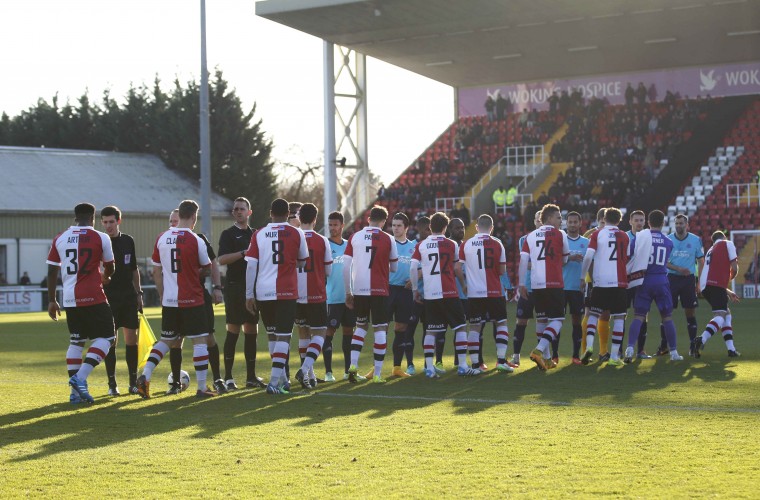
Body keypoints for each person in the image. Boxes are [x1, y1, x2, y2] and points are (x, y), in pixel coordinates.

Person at [137, 201, 215, 399]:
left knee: (166, 340)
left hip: (170, 299)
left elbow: (156, 270)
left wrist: (162, 294)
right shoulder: (196, 240)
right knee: (199, 340)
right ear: (194, 217)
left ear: (179, 215)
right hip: (192, 299)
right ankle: (202, 387)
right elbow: (207, 267)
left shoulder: (162, 238)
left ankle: (145, 375)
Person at [47, 203, 115, 404]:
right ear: (93, 218)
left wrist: (52, 300)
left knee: (76, 341)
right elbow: (111, 266)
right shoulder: (101, 237)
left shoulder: (60, 238)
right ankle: (80, 378)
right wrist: (105, 276)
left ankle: (74, 395)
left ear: (76, 218)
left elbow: (52, 271)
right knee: (108, 338)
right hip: (94, 295)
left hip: (70, 298)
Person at [245, 198, 308, 394]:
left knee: (272, 334)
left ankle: (282, 380)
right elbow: (302, 262)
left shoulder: (259, 234)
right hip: (286, 290)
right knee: (283, 336)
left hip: (263, 291)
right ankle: (274, 382)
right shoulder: (296, 233)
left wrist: (249, 294)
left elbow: (251, 265)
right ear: (288, 213)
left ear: (271, 213)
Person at [411, 212, 477, 378]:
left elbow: (413, 267)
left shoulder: (422, 245)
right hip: (449, 292)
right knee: (460, 326)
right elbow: (456, 268)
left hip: (431, 294)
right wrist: (463, 284)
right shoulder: (452, 244)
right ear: (445, 227)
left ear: (430, 227)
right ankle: (462, 366)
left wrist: (414, 289)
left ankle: (429, 368)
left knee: (431, 331)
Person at [343, 206, 399, 383]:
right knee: (380, 328)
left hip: (359, 289)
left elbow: (345, 266)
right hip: (379, 290)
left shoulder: (355, 237)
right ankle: (377, 374)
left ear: (368, 219)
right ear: (383, 222)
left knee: (360, 327)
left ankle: (352, 365)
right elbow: (395, 268)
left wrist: (348, 292)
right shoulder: (389, 239)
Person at [217, 197, 263, 390]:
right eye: (235, 209)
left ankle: (251, 377)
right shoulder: (228, 234)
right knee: (233, 330)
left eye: (242, 209)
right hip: (235, 288)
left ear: (249, 212)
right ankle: (228, 377)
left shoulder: (256, 234)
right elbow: (221, 259)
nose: (238, 212)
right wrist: (244, 253)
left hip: (253, 289)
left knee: (251, 330)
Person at [624, 210, 682, 363]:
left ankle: (630, 348)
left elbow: (630, 257)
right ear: (663, 223)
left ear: (648, 222)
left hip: (644, 280)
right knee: (667, 317)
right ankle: (674, 352)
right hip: (661, 280)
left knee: (638, 316)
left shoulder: (640, 237)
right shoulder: (669, 242)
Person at [458, 214, 512, 372]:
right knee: (501, 323)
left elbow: (457, 268)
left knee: (474, 327)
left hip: (474, 293)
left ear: (476, 227)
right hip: (495, 291)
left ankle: (475, 365)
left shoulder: (466, 244)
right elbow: (502, 271)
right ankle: (501, 361)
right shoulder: (497, 244)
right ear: (492, 227)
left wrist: (464, 285)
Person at [519, 204, 569, 370]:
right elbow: (565, 260)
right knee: (558, 320)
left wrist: (521, 284)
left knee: (541, 318)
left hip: (536, 284)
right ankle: (540, 350)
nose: (561, 220)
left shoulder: (530, 236)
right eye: (558, 217)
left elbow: (524, 261)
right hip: (554, 282)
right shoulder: (561, 234)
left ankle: (546, 359)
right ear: (548, 218)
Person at [100, 205, 143, 396]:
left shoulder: (128, 241)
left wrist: (139, 293)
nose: (108, 225)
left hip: (128, 297)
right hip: (108, 298)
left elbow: (134, 269)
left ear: (119, 221)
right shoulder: (100, 242)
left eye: (111, 221)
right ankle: (112, 384)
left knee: (131, 339)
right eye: (105, 222)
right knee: (111, 341)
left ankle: (133, 382)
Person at [580, 207, 630, 366]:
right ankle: (615, 356)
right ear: (619, 220)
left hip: (600, 282)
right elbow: (626, 258)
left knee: (593, 315)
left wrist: (583, 276)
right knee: (619, 317)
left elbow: (588, 256)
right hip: (619, 282)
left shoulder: (597, 234)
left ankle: (588, 347)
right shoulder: (624, 236)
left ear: (605, 218)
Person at [294, 203, 332, 389]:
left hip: (297, 295)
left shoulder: (293, 237)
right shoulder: (322, 240)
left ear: (299, 218)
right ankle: (305, 369)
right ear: (315, 219)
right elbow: (329, 271)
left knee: (303, 333)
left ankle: (309, 376)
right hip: (316, 293)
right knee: (319, 334)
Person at [693, 231, 741, 358]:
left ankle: (731, 350)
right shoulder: (727, 243)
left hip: (706, 287)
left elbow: (711, 274)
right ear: (724, 237)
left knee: (726, 313)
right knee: (720, 315)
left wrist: (727, 291)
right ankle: (701, 340)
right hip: (715, 285)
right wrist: (729, 278)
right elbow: (735, 268)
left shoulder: (711, 250)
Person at [662, 214, 704, 356]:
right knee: (667, 312)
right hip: (671, 279)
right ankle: (663, 346)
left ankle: (693, 346)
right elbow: (664, 262)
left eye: (681, 223)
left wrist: (700, 281)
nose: (679, 225)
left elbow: (701, 261)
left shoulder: (695, 240)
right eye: (677, 223)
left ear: (687, 225)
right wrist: (678, 269)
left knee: (690, 312)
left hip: (688, 280)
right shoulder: (668, 240)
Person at [324, 211, 359, 382]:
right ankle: (328, 372)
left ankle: (348, 371)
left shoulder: (349, 246)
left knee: (348, 332)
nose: (332, 228)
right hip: (332, 298)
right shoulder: (325, 245)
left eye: (335, 225)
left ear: (342, 226)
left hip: (349, 298)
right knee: (328, 333)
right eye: (330, 225)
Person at [510, 210, 541, 368]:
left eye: (542, 219)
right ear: (535, 221)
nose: (540, 222)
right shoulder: (525, 239)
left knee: (543, 322)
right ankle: (516, 356)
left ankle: (542, 356)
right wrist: (543, 263)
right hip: (528, 288)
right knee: (521, 322)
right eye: (538, 219)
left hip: (543, 288)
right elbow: (526, 262)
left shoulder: (553, 237)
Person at [387, 212, 416, 378]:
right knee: (381, 329)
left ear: (406, 228)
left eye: (399, 225)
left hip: (405, 292)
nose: (395, 228)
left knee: (401, 328)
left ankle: (397, 367)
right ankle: (376, 367)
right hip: (388, 289)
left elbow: (420, 268)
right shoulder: (388, 244)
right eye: (393, 225)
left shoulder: (414, 246)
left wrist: (414, 279)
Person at [580, 208, 612, 361]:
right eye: (602, 223)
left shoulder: (612, 235)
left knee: (605, 315)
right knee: (589, 313)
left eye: (606, 223)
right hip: (592, 281)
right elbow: (589, 259)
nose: (604, 226)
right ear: (598, 221)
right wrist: (592, 279)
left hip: (608, 281)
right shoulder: (590, 235)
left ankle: (603, 351)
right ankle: (585, 350)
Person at [403, 216, 432, 374]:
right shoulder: (413, 246)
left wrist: (419, 274)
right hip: (413, 296)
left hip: (429, 295)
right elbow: (411, 268)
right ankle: (410, 364)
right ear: (420, 229)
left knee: (429, 330)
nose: (429, 232)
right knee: (410, 329)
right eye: (426, 229)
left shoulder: (432, 246)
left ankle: (429, 363)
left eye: (430, 229)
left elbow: (423, 270)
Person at [625, 210, 653, 359]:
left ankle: (641, 350)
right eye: (636, 220)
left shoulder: (648, 238)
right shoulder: (624, 237)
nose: (639, 223)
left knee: (642, 315)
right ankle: (618, 350)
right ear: (630, 222)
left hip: (642, 283)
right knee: (621, 315)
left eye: (642, 220)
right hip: (626, 282)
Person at [562, 211, 589, 364]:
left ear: (580, 223)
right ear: (566, 223)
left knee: (576, 321)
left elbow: (590, 263)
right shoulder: (561, 241)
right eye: (570, 222)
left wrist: (585, 279)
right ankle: (554, 356)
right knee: (557, 320)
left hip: (577, 287)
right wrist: (569, 258)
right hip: (561, 287)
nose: (572, 224)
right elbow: (555, 262)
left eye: (575, 222)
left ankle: (575, 355)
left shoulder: (585, 242)